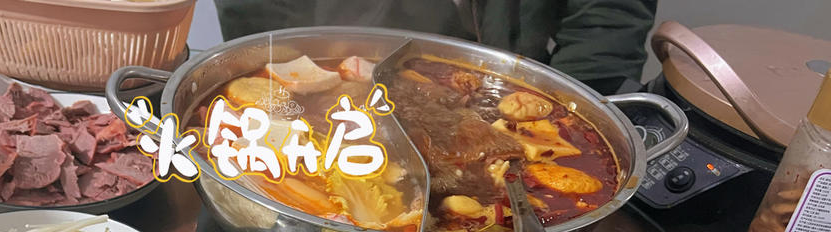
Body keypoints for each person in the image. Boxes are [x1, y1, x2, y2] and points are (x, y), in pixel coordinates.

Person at [213, 0, 657, 95]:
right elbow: (256, 11)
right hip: (341, 69)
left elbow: (607, 12)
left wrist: (577, 105)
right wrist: (285, 76)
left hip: (512, 82)